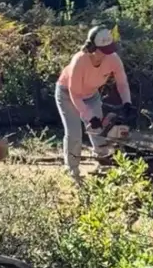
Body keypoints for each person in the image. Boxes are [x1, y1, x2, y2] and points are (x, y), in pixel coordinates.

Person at [56, 26, 136, 180]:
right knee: (74, 133)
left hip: (91, 94)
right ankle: (72, 170)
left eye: (109, 49)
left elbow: (122, 83)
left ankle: (103, 164)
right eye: (103, 50)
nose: (108, 53)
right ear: (93, 48)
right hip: (67, 94)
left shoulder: (113, 58)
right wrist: (89, 116)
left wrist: (127, 102)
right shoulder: (79, 61)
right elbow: (75, 94)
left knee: (100, 130)